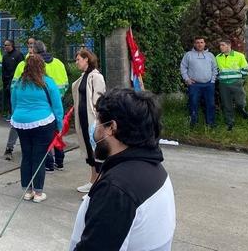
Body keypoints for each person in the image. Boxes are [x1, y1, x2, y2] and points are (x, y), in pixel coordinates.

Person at [69, 88, 176, 250]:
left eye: (98, 121)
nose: (95, 128)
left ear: (111, 127)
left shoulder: (117, 189)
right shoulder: (153, 167)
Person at [11, 54, 63, 203]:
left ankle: (27, 191)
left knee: (26, 155)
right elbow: (57, 106)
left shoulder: (19, 83)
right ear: (42, 67)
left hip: (21, 122)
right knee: (39, 157)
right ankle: (38, 193)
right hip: (43, 122)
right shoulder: (47, 82)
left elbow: (13, 102)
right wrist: (58, 126)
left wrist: (17, 116)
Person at [13, 40, 68, 171]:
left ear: (35, 52)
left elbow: (15, 87)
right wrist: (60, 95)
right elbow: (66, 82)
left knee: (44, 139)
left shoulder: (33, 64)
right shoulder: (58, 63)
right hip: (57, 99)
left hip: (41, 108)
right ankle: (59, 160)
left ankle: (48, 163)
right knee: (57, 133)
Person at [71, 49, 106, 193]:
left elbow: (99, 100)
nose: (76, 62)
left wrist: (98, 121)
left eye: (78, 59)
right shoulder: (83, 76)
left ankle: (98, 184)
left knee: (96, 151)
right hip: (82, 119)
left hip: (92, 120)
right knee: (88, 151)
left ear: (86, 59)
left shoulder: (96, 77)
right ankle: (92, 180)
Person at [180, 36, 218, 127]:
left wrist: (212, 80)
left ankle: (211, 123)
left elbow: (215, 68)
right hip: (194, 85)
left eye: (201, 42)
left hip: (209, 85)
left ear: (204, 44)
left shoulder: (210, 55)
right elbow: (183, 67)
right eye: (197, 42)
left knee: (210, 104)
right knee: (193, 103)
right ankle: (193, 123)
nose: (199, 44)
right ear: (194, 44)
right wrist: (187, 79)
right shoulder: (188, 55)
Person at [215, 38, 248, 130]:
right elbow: (217, 70)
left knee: (240, 102)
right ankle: (229, 123)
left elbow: (245, 69)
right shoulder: (218, 57)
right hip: (223, 84)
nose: (220, 47)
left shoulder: (239, 56)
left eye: (223, 45)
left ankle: (242, 110)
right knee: (226, 104)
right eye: (220, 45)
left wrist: (240, 80)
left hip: (236, 83)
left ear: (229, 46)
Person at [2, 39, 24, 160]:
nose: (5, 47)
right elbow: (4, 71)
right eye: (4, 45)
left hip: (25, 101)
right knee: (15, 124)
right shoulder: (5, 57)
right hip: (12, 87)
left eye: (7, 45)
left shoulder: (19, 56)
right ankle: (9, 148)